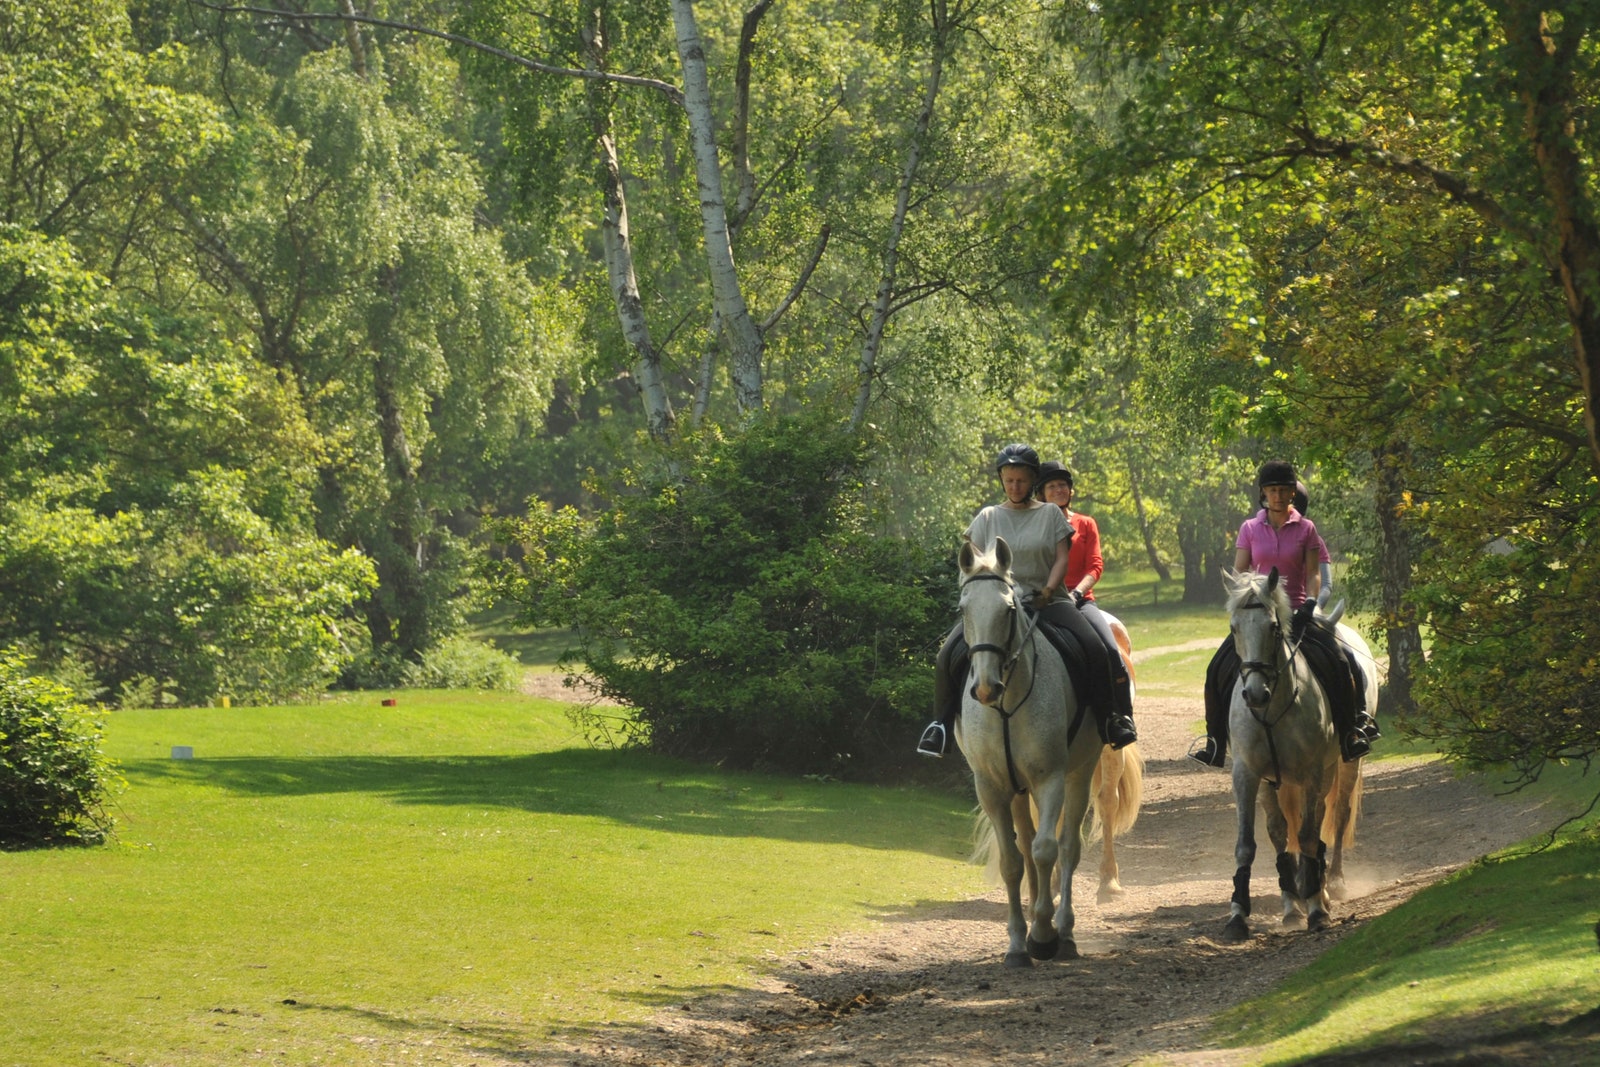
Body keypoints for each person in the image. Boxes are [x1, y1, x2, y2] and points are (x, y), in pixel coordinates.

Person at [917, 445, 1137, 758]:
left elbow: (1062, 558)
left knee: (1097, 649)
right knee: (946, 657)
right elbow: (973, 563)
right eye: (1009, 480)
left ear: (1032, 481)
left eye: (1021, 480)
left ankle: (1111, 720)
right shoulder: (988, 517)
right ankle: (939, 727)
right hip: (998, 606)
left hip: (1049, 601)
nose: (1015, 486)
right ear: (1002, 481)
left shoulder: (1049, 513)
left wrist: (1048, 589)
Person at [1189, 460, 1374, 768]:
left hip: (1298, 612)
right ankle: (1215, 741)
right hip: (1260, 615)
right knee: (1215, 669)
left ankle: (1351, 731)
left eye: (1284, 490)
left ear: (1292, 493)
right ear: (1264, 493)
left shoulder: (1306, 529)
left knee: (1342, 660)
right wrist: (1243, 600)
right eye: (1273, 490)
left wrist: (1311, 604)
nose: (1278, 496)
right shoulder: (1249, 528)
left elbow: (1314, 572)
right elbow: (1240, 571)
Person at [1035, 460, 1138, 748]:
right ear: (1042, 493)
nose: (1059, 489)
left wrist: (1077, 594)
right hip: (1043, 600)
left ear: (1070, 490)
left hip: (1079, 601)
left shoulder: (1085, 523)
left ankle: (1119, 719)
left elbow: (1095, 565)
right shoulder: (1035, 524)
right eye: (1052, 486)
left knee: (1107, 649)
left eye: (1063, 485)